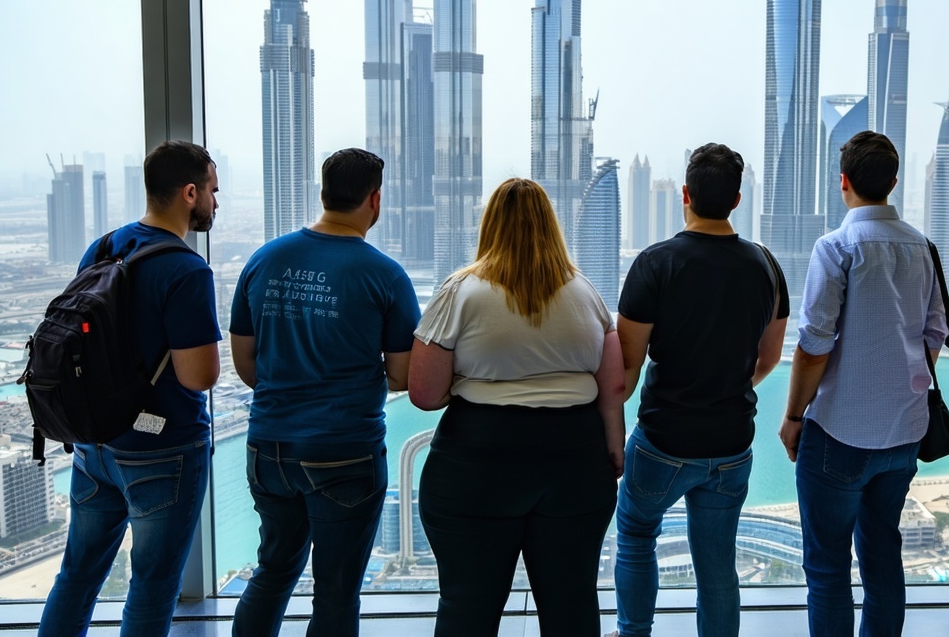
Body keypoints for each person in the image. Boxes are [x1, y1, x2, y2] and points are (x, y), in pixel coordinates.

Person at [409, 177, 623, 637]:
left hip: (478, 459)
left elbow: (424, 394)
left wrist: (472, 379)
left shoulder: (460, 291)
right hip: (575, 459)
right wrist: (613, 450)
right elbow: (614, 386)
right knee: (573, 606)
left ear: (489, 226)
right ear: (552, 227)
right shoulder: (586, 293)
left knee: (467, 607)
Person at [227, 148, 420, 636]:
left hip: (267, 446)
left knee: (272, 571)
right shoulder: (386, 276)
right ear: (375, 200)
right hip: (344, 453)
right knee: (335, 590)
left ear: (323, 193)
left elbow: (247, 364)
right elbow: (402, 376)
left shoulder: (263, 260)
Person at [39, 141, 222, 636]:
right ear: (189, 193)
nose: (215, 203)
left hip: (94, 444)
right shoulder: (186, 269)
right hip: (162, 451)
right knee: (152, 584)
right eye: (211, 190)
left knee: (77, 575)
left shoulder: (101, 247)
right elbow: (199, 377)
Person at [612, 143, 788, 637]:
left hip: (663, 441)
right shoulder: (766, 266)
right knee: (716, 566)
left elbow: (626, 367)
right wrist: (727, 384)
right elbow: (769, 358)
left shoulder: (655, 264)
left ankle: (633, 633)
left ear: (684, 195)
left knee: (636, 534)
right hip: (732, 445)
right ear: (737, 200)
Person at [778, 131, 946, 637]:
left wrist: (791, 417)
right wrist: (906, 380)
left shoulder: (836, 247)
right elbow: (935, 333)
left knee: (828, 568)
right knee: (882, 558)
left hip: (838, 434)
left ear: (843, 182)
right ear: (894, 183)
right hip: (904, 432)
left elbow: (813, 344)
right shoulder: (923, 247)